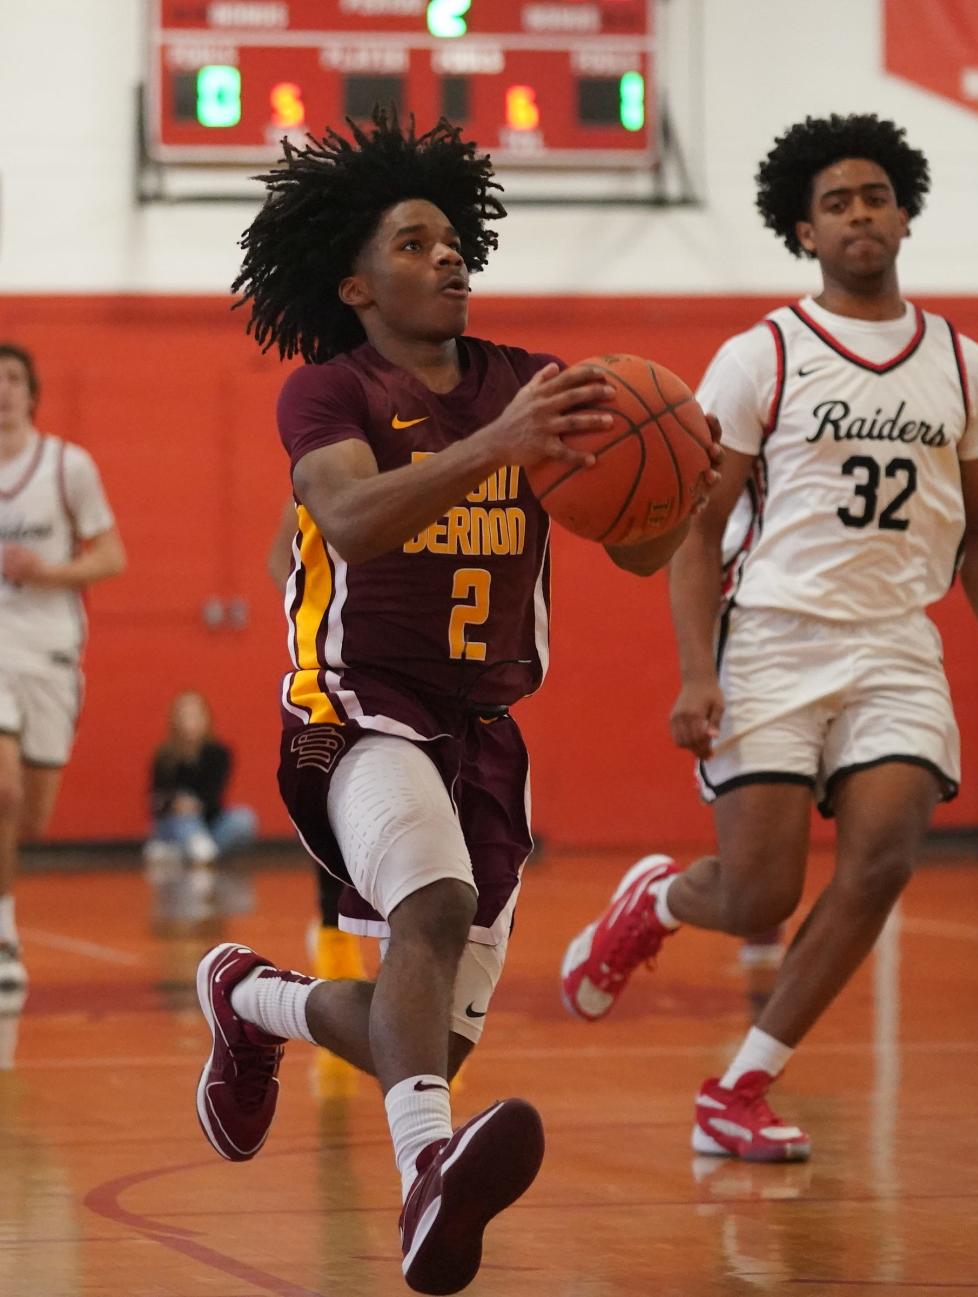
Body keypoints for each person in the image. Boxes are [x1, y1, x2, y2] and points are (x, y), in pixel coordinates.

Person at [195, 111, 716, 1295]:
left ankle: (252, 997)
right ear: (354, 281)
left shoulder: (528, 384)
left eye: (452, 239)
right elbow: (354, 521)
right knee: (432, 905)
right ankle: (428, 1180)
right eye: (415, 242)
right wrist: (502, 447)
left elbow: (634, 552)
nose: (447, 257)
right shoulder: (328, 391)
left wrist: (684, 479)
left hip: (485, 730)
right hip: (353, 709)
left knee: (425, 1030)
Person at [561, 113, 978, 1162]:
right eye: (836, 203)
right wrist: (696, 671)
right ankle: (656, 899)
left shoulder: (964, 363)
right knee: (759, 892)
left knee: (882, 861)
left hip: (897, 645)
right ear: (803, 232)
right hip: (772, 633)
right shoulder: (761, 353)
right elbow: (694, 529)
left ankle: (741, 1083)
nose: (860, 213)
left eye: (875, 194)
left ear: (905, 211)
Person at [0, 343, 126, 998]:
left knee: (31, 813)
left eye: (14, 377)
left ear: (32, 391)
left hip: (48, 644)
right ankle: (4, 933)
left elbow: (111, 556)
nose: (2, 389)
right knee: (3, 789)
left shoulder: (66, 465)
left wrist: (46, 571)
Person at [266, 497, 365, 984]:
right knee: (330, 804)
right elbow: (276, 563)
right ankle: (333, 936)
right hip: (336, 676)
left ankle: (420, 957)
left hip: (417, 673)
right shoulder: (323, 472)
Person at [144, 689, 258, 910]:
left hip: (209, 822)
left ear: (206, 719)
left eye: (195, 715)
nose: (190, 722)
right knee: (184, 819)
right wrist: (177, 804)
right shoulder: (165, 756)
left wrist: (195, 804)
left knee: (244, 820)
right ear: (175, 721)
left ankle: (185, 853)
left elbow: (214, 796)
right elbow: (155, 802)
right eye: (185, 716)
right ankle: (191, 848)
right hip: (175, 823)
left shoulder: (219, 753)